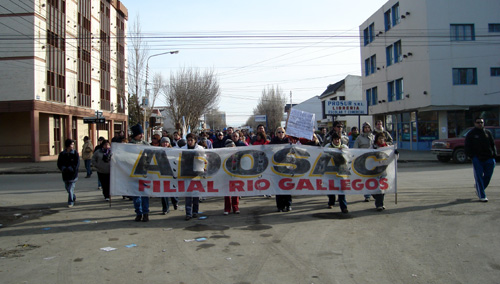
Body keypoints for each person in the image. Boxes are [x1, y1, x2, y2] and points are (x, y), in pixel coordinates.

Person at [465, 117, 497, 202]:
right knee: (479, 177)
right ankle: (482, 195)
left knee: (488, 176)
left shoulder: (488, 133)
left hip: (489, 158)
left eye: (481, 122)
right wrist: (472, 156)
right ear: (475, 123)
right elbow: (467, 146)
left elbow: (492, 144)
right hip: (477, 158)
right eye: (478, 122)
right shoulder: (471, 134)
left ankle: (479, 188)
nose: (480, 124)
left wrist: (494, 154)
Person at [129, 123, 151, 222]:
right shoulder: (129, 145)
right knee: (136, 195)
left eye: (142, 134)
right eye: (140, 134)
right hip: (133, 173)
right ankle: (138, 212)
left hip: (144, 172)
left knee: (145, 194)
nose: (142, 136)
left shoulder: (146, 144)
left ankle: (145, 213)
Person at [325, 132, 349, 213]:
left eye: (338, 139)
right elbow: (323, 156)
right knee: (331, 188)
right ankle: (331, 202)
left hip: (341, 171)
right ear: (332, 140)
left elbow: (349, 156)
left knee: (341, 190)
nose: (337, 141)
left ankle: (344, 207)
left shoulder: (344, 147)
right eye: (335, 139)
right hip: (330, 171)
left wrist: (343, 152)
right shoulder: (328, 146)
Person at [270, 127, 292, 212]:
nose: (280, 133)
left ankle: (288, 204)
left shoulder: (288, 141)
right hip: (277, 167)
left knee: (287, 186)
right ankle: (280, 206)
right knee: (278, 186)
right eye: (279, 132)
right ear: (276, 133)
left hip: (286, 167)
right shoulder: (273, 142)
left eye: (282, 132)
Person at [182, 133, 203, 220]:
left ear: (195, 141)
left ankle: (195, 211)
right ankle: (188, 213)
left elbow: (204, 159)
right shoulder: (183, 149)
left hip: (196, 173)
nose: (190, 142)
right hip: (187, 173)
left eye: (191, 140)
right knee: (188, 194)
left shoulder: (200, 149)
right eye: (188, 140)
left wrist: (199, 157)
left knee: (195, 194)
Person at [354, 122, 375, 202]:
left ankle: (375, 193)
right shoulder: (359, 138)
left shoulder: (373, 137)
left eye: (368, 127)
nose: (367, 129)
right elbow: (355, 149)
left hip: (372, 160)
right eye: (365, 127)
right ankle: (367, 195)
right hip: (363, 160)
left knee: (373, 177)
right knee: (366, 178)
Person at [57, 139, 80, 208]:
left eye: (73, 144)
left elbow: (77, 164)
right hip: (65, 175)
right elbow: (59, 163)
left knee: (70, 188)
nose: (72, 146)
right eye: (71, 144)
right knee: (67, 188)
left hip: (73, 175)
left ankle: (70, 202)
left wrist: (72, 169)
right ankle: (73, 196)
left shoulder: (75, 153)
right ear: (67, 146)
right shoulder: (62, 154)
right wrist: (63, 168)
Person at [159, 137, 179, 214]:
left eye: (166, 142)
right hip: (162, 174)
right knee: (163, 192)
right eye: (163, 142)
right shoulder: (159, 151)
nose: (165, 144)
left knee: (171, 190)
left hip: (171, 173)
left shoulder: (173, 151)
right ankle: (165, 208)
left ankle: (175, 201)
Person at [371, 132, 389, 211]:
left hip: (384, 170)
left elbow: (393, 157)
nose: (381, 140)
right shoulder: (373, 147)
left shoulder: (387, 147)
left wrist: (396, 154)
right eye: (380, 138)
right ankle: (377, 198)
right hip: (374, 170)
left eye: (383, 138)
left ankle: (380, 204)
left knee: (381, 188)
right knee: (375, 188)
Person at [224, 140, 240, 215]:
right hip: (226, 175)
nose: (231, 148)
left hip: (235, 174)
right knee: (227, 192)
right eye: (229, 147)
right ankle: (227, 208)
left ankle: (235, 207)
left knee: (235, 191)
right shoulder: (224, 155)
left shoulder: (237, 155)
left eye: (232, 146)